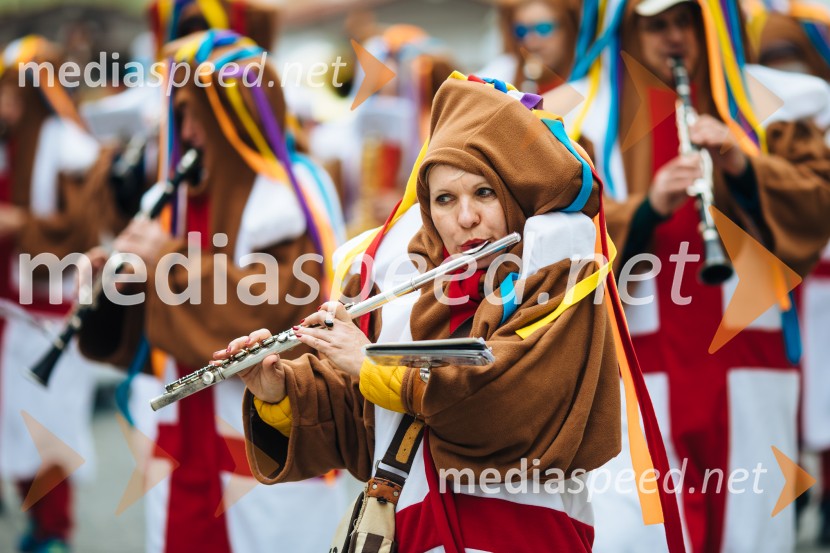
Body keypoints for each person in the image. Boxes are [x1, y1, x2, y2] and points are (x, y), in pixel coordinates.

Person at [218, 73, 625, 551]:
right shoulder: (408, 291)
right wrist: (282, 392)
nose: (465, 218)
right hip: (416, 534)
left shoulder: (560, 276)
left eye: (485, 193)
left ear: (513, 194)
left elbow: (503, 407)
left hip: (519, 534)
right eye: (445, 200)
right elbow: (365, 429)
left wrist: (372, 363)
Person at [564, 0, 830, 551]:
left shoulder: (764, 106)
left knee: (752, 528)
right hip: (639, 360)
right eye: (656, 25)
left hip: (750, 360)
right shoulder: (584, 116)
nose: (674, 37)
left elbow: (818, 203)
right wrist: (646, 208)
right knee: (642, 531)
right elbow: (559, 234)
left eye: (686, 21)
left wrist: (742, 165)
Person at [77, 31, 349, 553]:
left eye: (199, 114)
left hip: (260, 423)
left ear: (240, 116)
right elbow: (156, 326)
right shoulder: (175, 194)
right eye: (181, 114)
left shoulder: (295, 191)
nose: (189, 132)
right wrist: (117, 289)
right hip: (186, 429)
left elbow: (275, 306)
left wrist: (169, 263)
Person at [0, 36, 110, 553]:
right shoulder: (13, 141)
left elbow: (81, 227)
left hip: (52, 313)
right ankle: (36, 525)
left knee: (49, 427)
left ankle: (53, 531)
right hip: (12, 310)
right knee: (16, 429)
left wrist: (22, 223)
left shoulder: (70, 146)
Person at [755, 4, 830, 545]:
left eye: (792, 56)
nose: (787, 68)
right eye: (773, 58)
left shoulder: (811, 112)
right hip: (789, 290)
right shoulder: (761, 114)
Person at [480, 0, 582, 94]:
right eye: (521, 31)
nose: (529, 41)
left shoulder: (590, 82)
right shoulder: (505, 71)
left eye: (543, 29)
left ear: (569, 29)